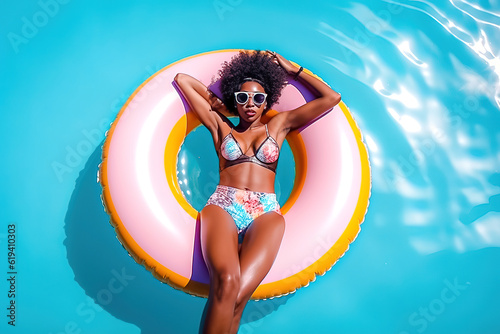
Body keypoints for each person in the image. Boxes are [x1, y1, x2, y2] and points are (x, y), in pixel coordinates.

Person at [174, 50, 340, 334]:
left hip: (265, 211)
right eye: (243, 98)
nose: (250, 104)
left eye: (258, 98)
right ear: (234, 100)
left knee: (238, 297)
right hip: (224, 204)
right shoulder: (220, 125)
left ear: (267, 101)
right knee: (226, 282)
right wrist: (222, 104)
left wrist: (292, 70)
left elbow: (331, 98)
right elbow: (183, 80)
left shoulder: (279, 125)